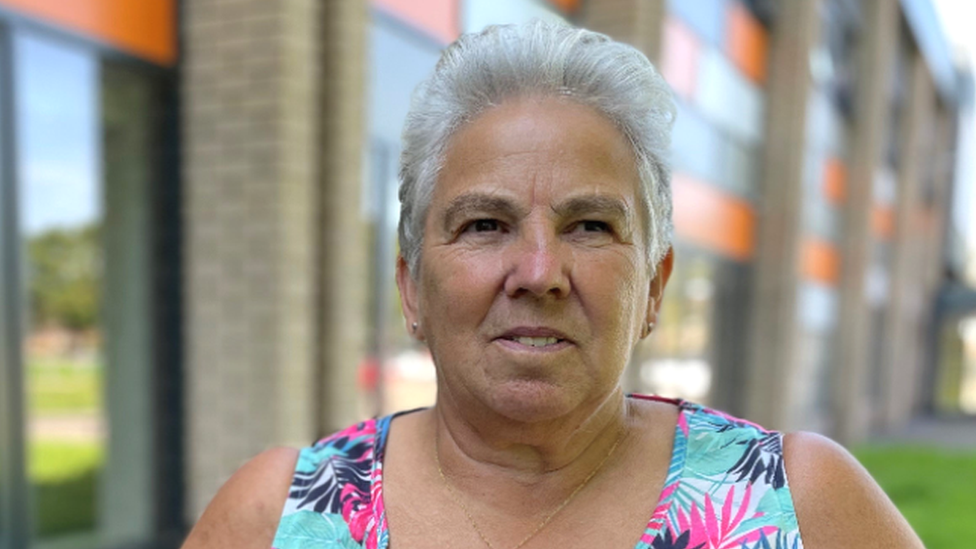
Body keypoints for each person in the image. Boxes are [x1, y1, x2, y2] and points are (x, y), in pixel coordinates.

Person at [181, 21, 923, 549]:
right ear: (411, 287)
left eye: (592, 226)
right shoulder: (276, 515)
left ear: (655, 286)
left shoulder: (802, 504)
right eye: (483, 224)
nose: (539, 273)